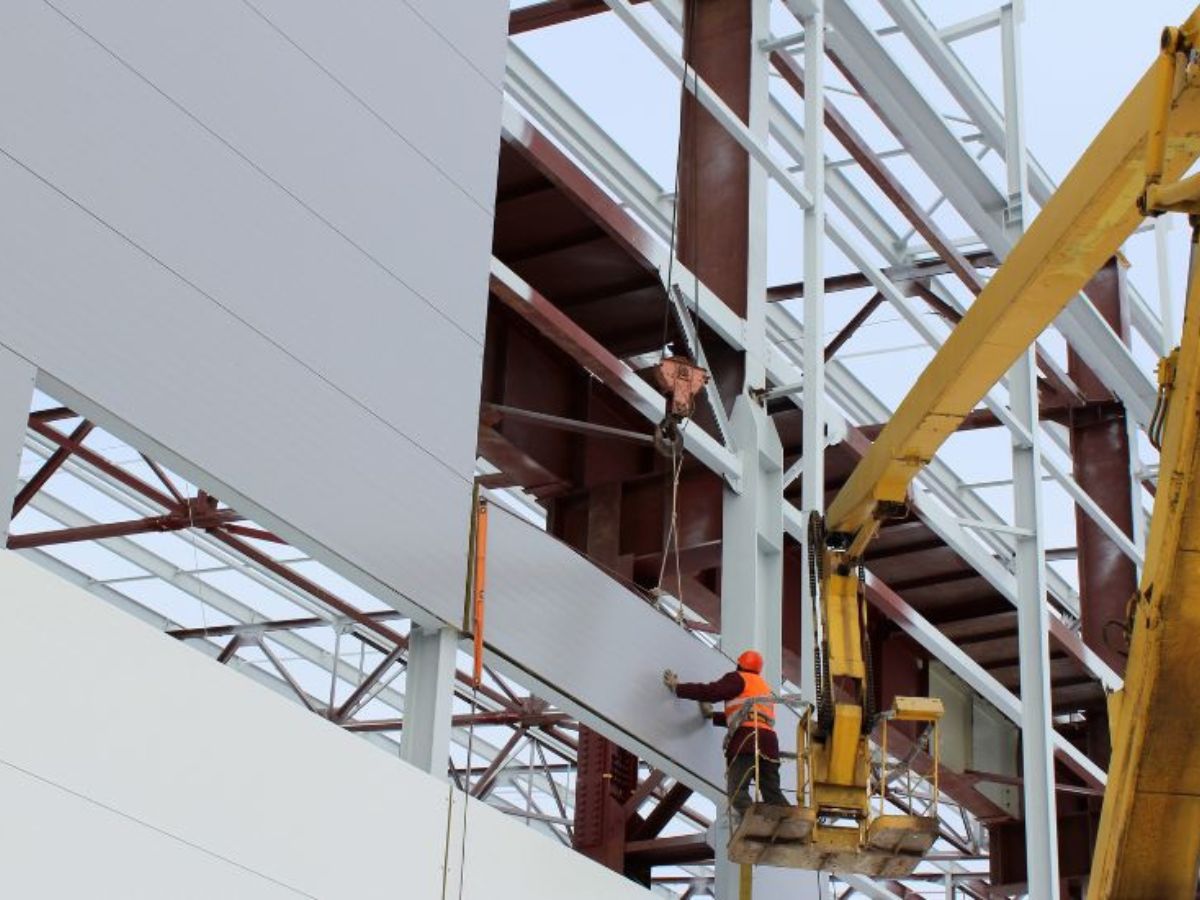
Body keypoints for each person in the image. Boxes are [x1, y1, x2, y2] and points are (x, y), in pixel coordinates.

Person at [663, 650, 789, 813]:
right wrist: (712, 716)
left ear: (739, 664)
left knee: (737, 792)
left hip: (748, 741)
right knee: (771, 792)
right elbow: (748, 715)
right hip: (769, 742)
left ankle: (755, 821)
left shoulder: (738, 678)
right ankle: (789, 821)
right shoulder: (763, 686)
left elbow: (711, 692)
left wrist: (678, 688)